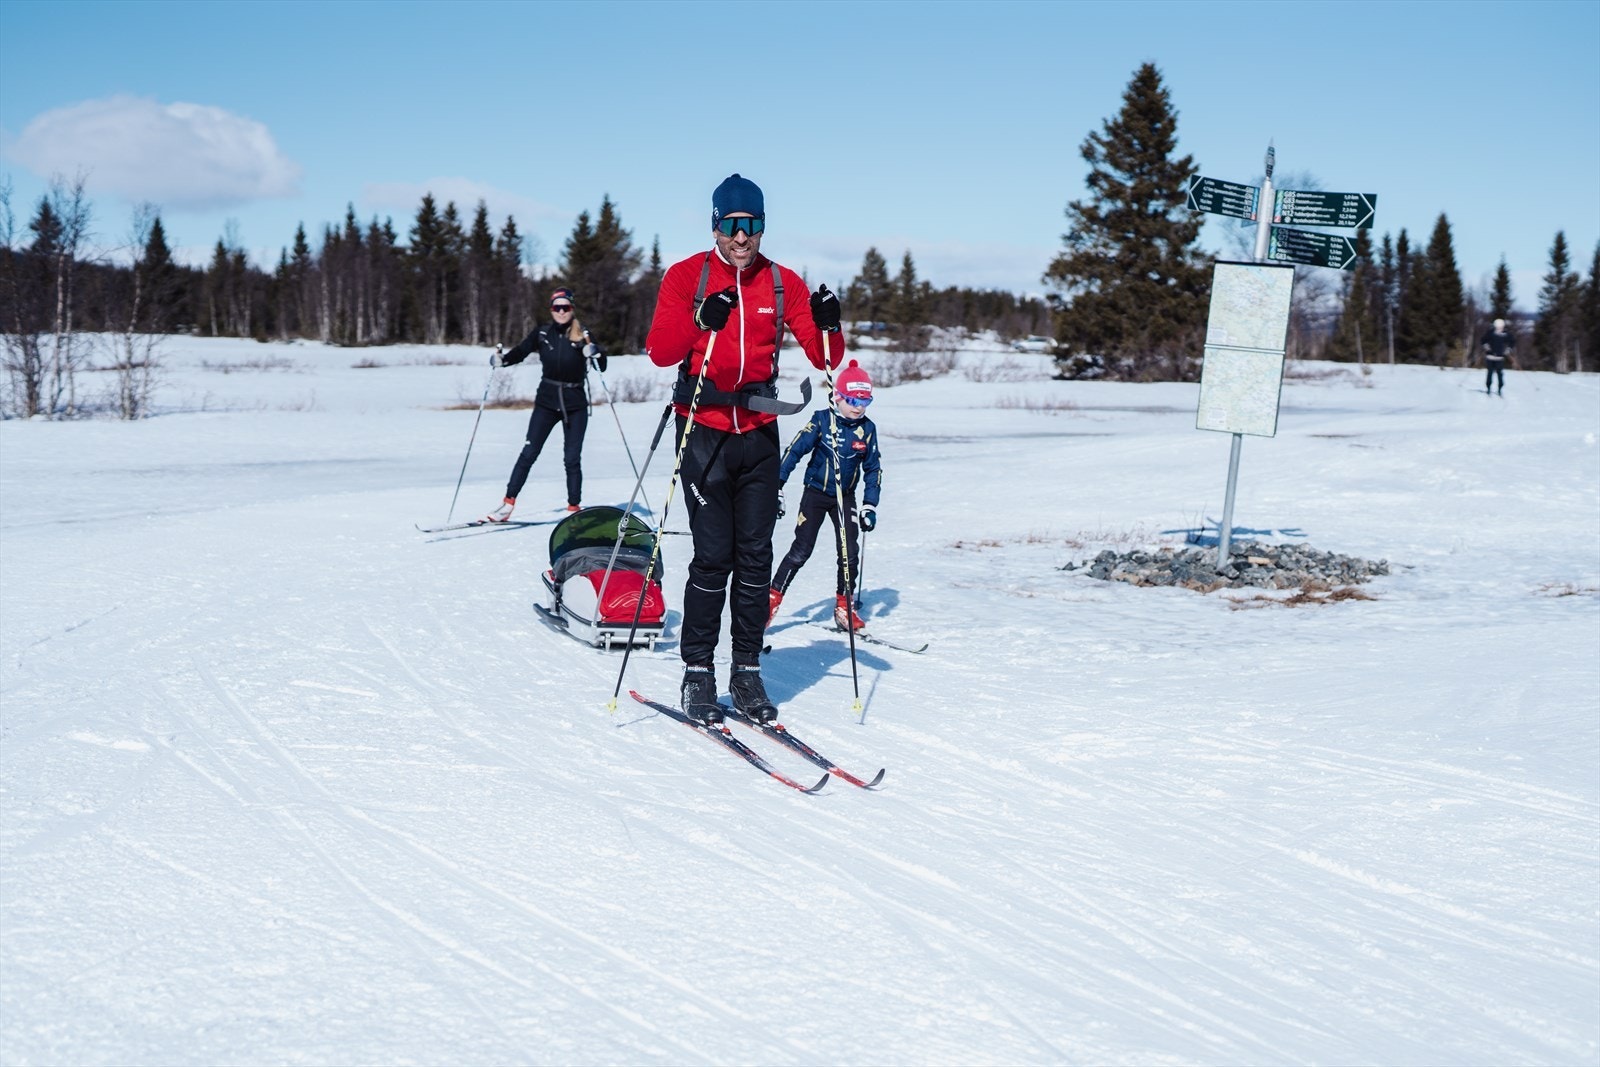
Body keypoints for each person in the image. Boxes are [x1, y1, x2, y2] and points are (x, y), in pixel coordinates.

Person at [644, 173, 844, 726]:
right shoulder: (686, 276)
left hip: (758, 433)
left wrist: (830, 325)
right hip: (702, 429)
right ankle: (697, 673)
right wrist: (698, 321)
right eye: (732, 225)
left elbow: (827, 358)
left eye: (751, 225)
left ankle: (747, 672)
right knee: (714, 557)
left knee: (756, 559)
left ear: (762, 227)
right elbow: (659, 352)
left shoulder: (782, 284)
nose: (741, 236)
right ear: (716, 226)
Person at [768, 360, 882, 633]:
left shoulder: (867, 429)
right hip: (815, 495)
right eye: (853, 400)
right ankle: (769, 602)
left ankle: (844, 606)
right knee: (801, 551)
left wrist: (869, 504)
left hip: (845, 498)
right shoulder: (822, 420)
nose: (858, 407)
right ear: (838, 397)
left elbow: (873, 468)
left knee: (849, 554)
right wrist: (777, 485)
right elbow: (795, 451)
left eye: (865, 401)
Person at [483, 287, 605, 521]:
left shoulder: (583, 334)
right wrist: (502, 360)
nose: (561, 311)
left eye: (565, 307)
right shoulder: (542, 333)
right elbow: (520, 352)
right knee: (529, 452)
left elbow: (603, 364)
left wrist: (595, 352)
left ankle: (574, 508)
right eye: (557, 307)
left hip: (575, 404)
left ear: (572, 309)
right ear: (551, 310)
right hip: (547, 403)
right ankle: (507, 504)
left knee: (572, 458)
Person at [1480, 318, 1514, 396]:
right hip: (1490, 356)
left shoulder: (1506, 334)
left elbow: (1512, 341)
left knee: (1500, 374)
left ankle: (1500, 388)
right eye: (1498, 327)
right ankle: (1488, 388)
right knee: (1490, 373)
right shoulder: (1490, 333)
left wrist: (1508, 349)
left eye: (1500, 327)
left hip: (1500, 357)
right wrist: (1486, 346)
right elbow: (1483, 340)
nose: (1499, 328)